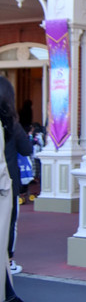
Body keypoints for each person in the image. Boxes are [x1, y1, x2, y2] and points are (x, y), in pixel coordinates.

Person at [0, 87, 38, 302]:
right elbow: (26, 149)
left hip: (6, 186)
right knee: (4, 241)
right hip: (5, 187)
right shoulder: (9, 123)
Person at [0, 77, 33, 275]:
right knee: (9, 222)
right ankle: (8, 260)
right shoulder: (12, 124)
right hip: (7, 182)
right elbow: (27, 148)